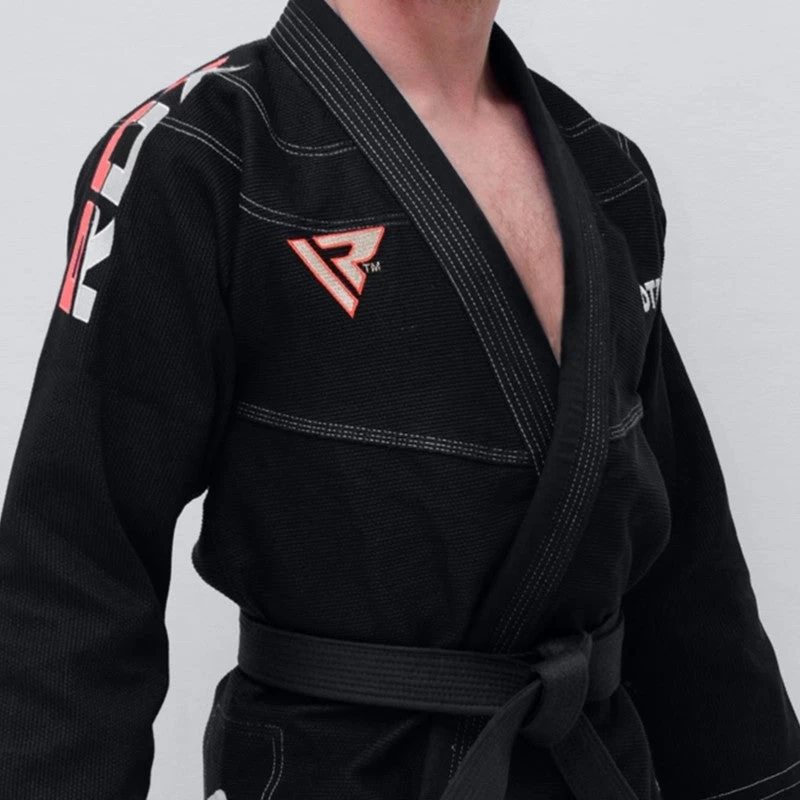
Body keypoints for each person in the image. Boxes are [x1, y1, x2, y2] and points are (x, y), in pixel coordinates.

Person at [1, 0, 798, 798]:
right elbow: (74, 564)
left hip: (593, 769)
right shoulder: (205, 152)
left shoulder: (605, 171)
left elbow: (685, 563)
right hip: (335, 773)